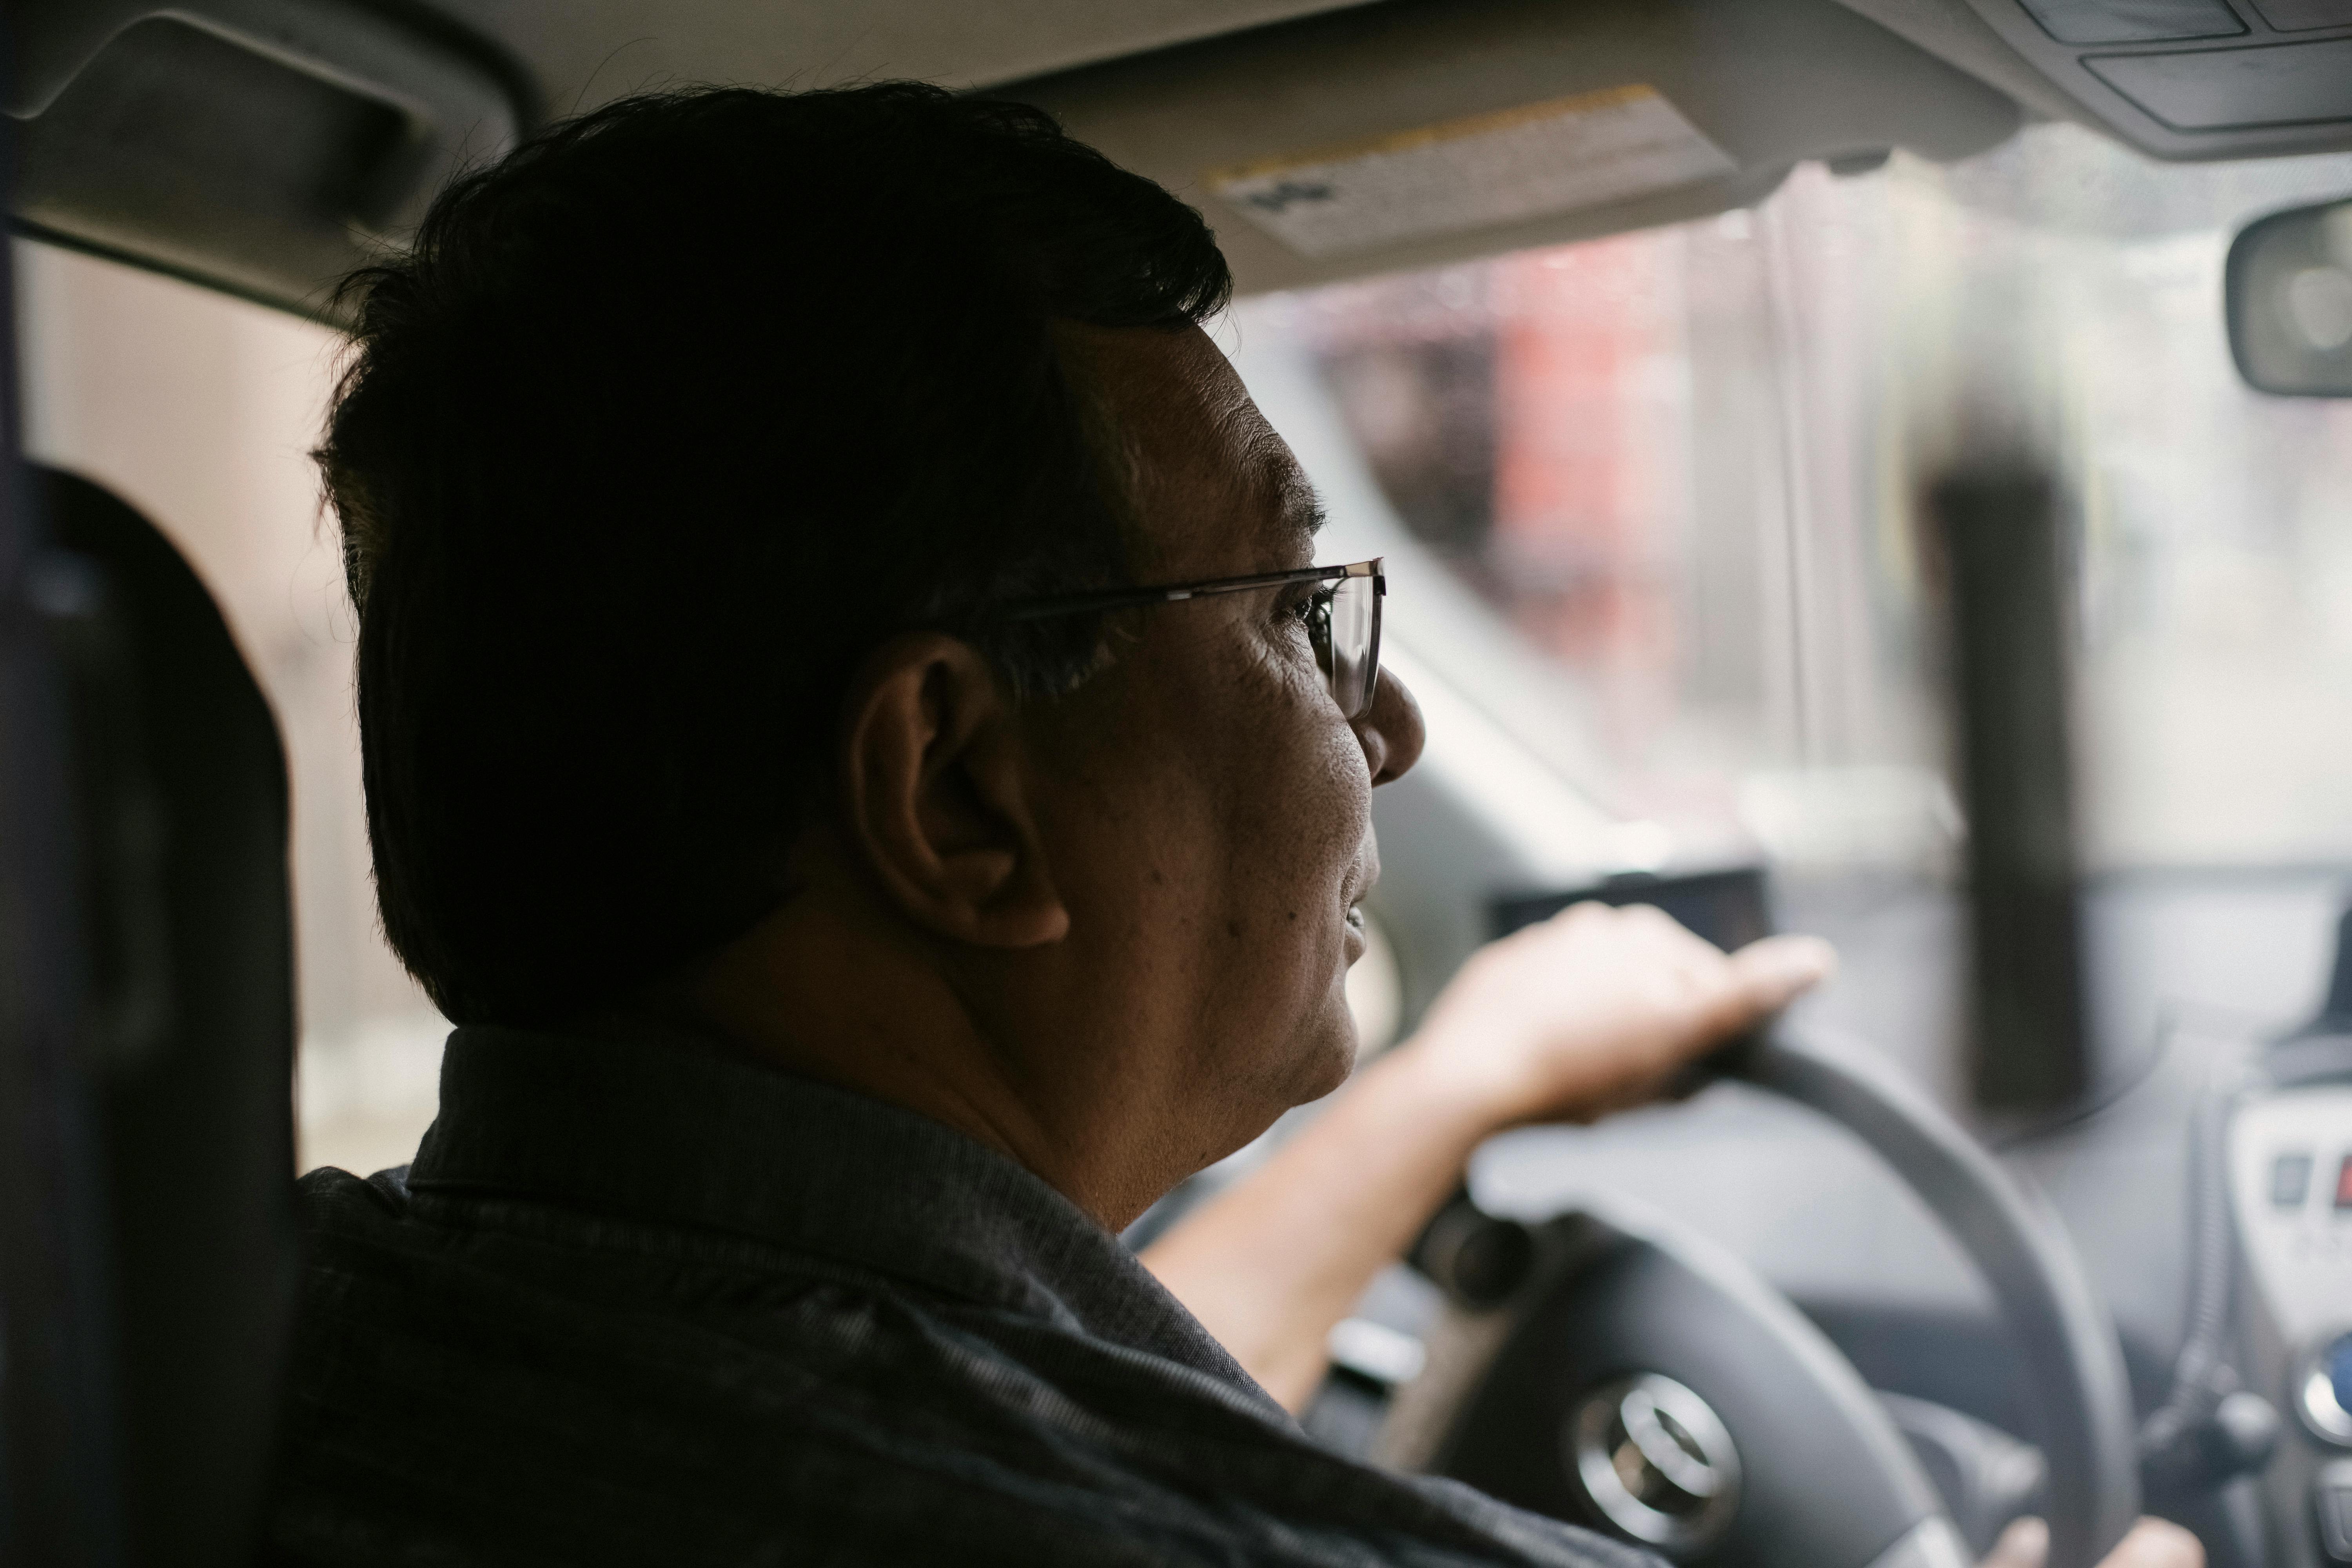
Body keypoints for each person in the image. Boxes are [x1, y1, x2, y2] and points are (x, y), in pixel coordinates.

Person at [265, 82, 2200, 1568]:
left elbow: (1006, 1398)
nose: (1396, 723)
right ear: (955, 793)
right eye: (1290, 612)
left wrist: (1452, 1092)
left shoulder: (255, 1353)